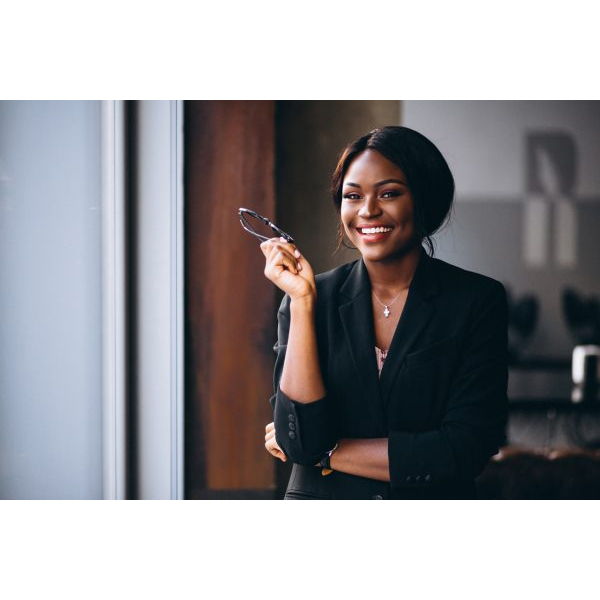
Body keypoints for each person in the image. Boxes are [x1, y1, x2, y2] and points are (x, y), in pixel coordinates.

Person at [261, 126, 508, 499]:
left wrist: (326, 452)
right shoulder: (310, 300)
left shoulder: (476, 301)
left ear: (423, 198)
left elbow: (465, 448)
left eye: (389, 193)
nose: (368, 210)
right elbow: (299, 436)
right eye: (353, 195)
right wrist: (302, 302)